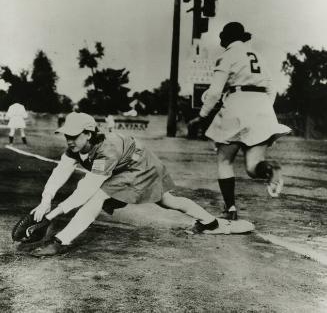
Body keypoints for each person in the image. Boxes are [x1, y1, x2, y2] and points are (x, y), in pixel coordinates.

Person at [29, 112, 221, 256]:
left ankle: (60, 241)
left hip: (141, 166)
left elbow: (86, 189)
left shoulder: (106, 150)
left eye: (73, 136)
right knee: (167, 201)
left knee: (98, 195)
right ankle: (209, 221)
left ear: (88, 134)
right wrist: (46, 200)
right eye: (67, 136)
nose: (69, 141)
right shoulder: (75, 148)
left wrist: (52, 215)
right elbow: (60, 172)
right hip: (126, 166)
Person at [189, 22, 291, 221]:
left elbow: (215, 92)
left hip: (237, 106)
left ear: (227, 38)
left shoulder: (227, 56)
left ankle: (231, 209)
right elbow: (272, 89)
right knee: (254, 167)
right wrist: (263, 112)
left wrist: (202, 116)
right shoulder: (258, 56)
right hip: (262, 108)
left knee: (224, 161)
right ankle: (271, 169)